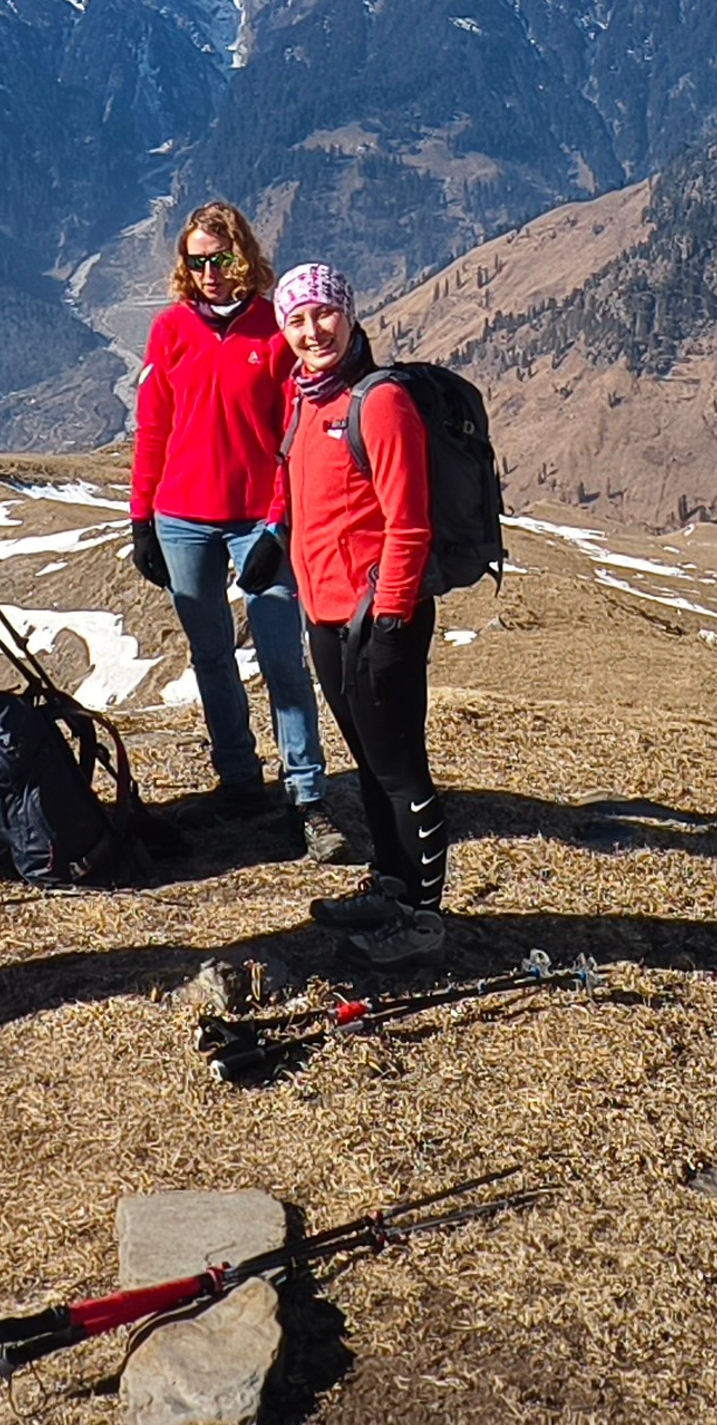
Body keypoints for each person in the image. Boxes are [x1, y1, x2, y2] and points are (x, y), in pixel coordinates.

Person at [130, 202, 347, 861]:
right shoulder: (169, 330)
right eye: (196, 261)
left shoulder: (276, 331)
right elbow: (154, 428)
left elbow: (295, 437)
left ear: (243, 255)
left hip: (259, 520)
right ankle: (239, 782)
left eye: (220, 258)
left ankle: (307, 795)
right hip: (181, 517)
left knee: (283, 658)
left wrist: (280, 525)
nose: (209, 272)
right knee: (212, 659)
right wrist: (141, 517)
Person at [275, 262, 447, 968]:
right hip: (326, 617)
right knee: (370, 766)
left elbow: (409, 525)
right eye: (296, 320)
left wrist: (394, 622)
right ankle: (390, 884)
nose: (312, 331)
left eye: (323, 314)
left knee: (401, 767)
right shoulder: (306, 398)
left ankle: (423, 916)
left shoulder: (379, 404)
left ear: (348, 316)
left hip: (380, 620)